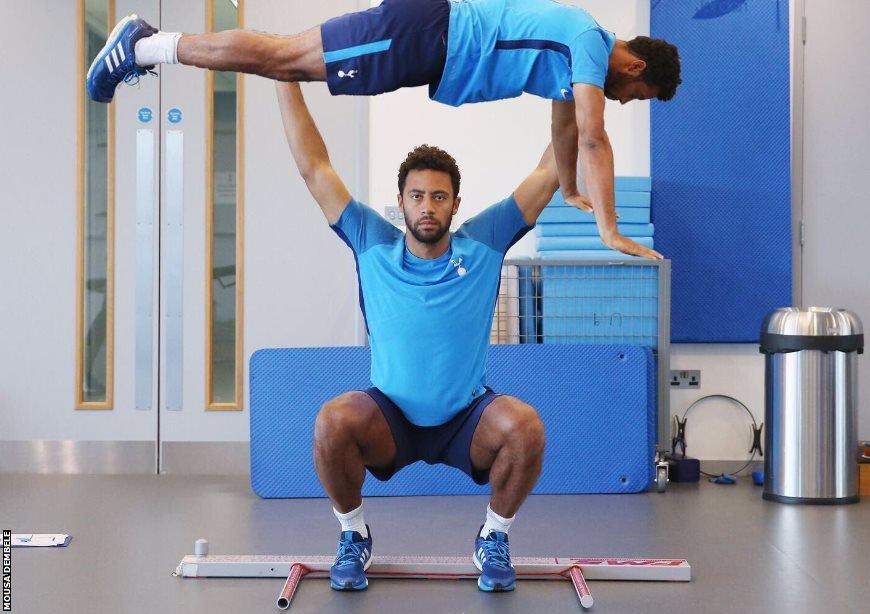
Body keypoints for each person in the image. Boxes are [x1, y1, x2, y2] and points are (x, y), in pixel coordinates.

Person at [275, 77, 580, 591]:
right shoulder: (371, 241)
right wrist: (284, 76)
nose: (428, 206)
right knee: (332, 422)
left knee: (525, 426)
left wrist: (575, 85)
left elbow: (550, 168)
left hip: (466, 417)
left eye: (439, 197)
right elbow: (314, 167)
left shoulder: (484, 241)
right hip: (388, 417)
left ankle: (494, 537)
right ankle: (353, 535)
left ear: (455, 204)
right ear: (402, 200)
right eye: (418, 195)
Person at [86, 0, 678, 260]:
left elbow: (567, 122)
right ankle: (145, 45)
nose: (623, 102)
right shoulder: (588, 44)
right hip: (425, 35)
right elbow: (593, 132)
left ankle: (148, 47)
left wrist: (570, 186)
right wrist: (609, 228)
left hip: (425, 48)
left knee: (284, 60)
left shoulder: (581, 51)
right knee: (285, 59)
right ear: (636, 67)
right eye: (636, 95)